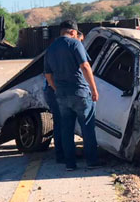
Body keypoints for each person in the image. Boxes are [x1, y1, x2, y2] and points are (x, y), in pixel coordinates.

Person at [43, 20, 100, 171]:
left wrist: (57, 89)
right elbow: (85, 66)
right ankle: (92, 161)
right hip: (79, 92)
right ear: (73, 32)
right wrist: (94, 89)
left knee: (66, 130)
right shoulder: (75, 44)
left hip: (61, 94)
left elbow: (48, 75)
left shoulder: (50, 49)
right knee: (87, 127)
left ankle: (70, 164)